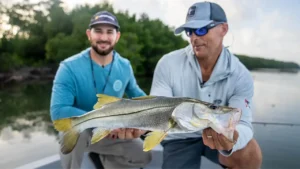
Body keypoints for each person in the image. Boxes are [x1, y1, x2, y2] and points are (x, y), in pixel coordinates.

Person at [150, 1, 262, 169]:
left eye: (201, 29)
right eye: (190, 31)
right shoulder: (167, 63)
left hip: (218, 135)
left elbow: (244, 123)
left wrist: (232, 139)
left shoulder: (241, 75)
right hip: (179, 137)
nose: (195, 37)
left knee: (251, 154)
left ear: (223, 29)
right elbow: (158, 110)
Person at [50, 11, 151, 169]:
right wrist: (106, 121)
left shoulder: (125, 66)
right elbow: (58, 111)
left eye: (109, 32)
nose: (104, 38)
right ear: (89, 34)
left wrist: (157, 112)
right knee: (74, 132)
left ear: (117, 36)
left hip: (111, 132)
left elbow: (137, 96)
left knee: (143, 154)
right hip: (81, 131)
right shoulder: (68, 67)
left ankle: (103, 160)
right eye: (98, 31)